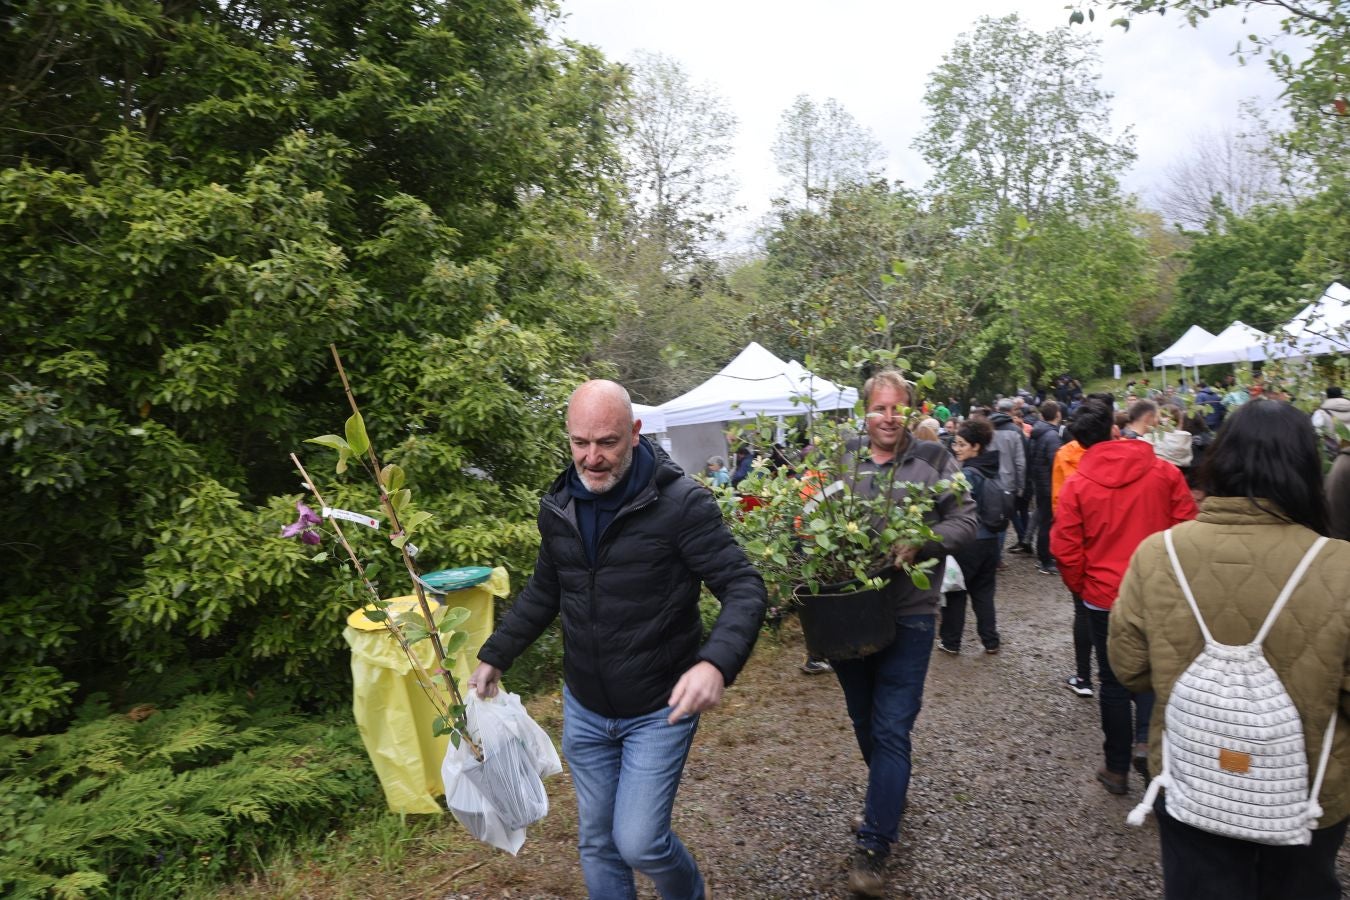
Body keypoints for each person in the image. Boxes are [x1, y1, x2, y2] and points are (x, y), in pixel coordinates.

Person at [470, 380, 766, 899]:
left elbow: (743, 586)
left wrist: (715, 663)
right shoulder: (559, 504)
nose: (592, 457)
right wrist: (497, 654)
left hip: (658, 708)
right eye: (579, 442)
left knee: (640, 842)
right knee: (597, 842)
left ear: (634, 432)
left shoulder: (681, 505)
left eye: (606, 442)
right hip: (584, 707)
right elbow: (545, 589)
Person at [1109, 399, 1350, 900]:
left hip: (1192, 772)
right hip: (1310, 789)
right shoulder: (1340, 565)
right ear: (1307, 469)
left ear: (1221, 458)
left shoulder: (1160, 554)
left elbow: (1129, 667)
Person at [831, 369, 976, 896]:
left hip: (910, 611)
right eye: (879, 409)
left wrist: (922, 540)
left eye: (897, 408)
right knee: (864, 720)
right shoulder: (842, 458)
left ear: (911, 412)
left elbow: (965, 521)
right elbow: (807, 514)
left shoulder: (935, 460)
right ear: (864, 413)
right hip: (848, 611)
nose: (888, 418)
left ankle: (875, 841)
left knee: (892, 728)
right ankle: (886, 797)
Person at [1050, 399, 1198, 796]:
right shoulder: (1164, 473)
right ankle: (1147, 749)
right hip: (1156, 594)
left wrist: (1082, 587)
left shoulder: (1078, 484)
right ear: (1116, 430)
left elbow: (1065, 547)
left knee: (1112, 682)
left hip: (1103, 598)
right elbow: (1187, 529)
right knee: (1152, 673)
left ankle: (1116, 768)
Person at [938, 418, 1002, 654]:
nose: (956, 449)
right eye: (956, 444)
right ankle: (991, 640)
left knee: (956, 591)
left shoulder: (967, 474)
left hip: (969, 541)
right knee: (984, 592)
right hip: (991, 540)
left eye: (962, 444)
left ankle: (950, 641)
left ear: (976, 447)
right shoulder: (992, 468)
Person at [1026, 400, 1063, 576]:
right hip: (1050, 485)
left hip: (1039, 483)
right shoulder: (1052, 436)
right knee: (1047, 523)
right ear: (1058, 414)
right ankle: (1045, 560)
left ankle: (1045, 556)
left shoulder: (1038, 433)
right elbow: (1056, 463)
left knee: (1044, 521)